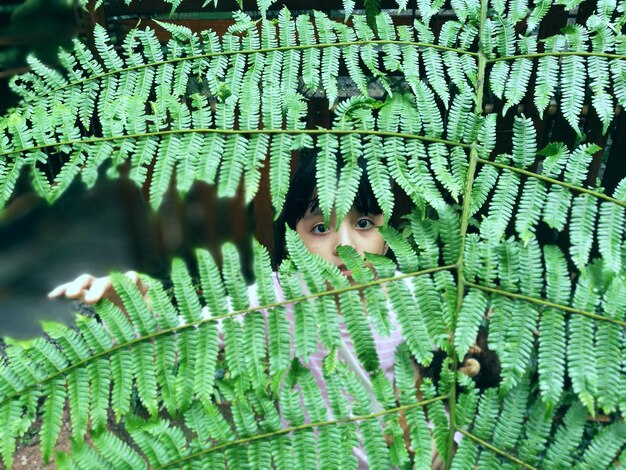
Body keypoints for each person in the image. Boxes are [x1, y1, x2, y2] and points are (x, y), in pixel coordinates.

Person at [49, 152, 456, 468]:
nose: (344, 246)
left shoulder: (417, 294)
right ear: (291, 238)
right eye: (319, 228)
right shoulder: (278, 298)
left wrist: (444, 438)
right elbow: (187, 336)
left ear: (388, 232)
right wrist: (133, 296)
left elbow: (459, 384)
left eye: (364, 222)